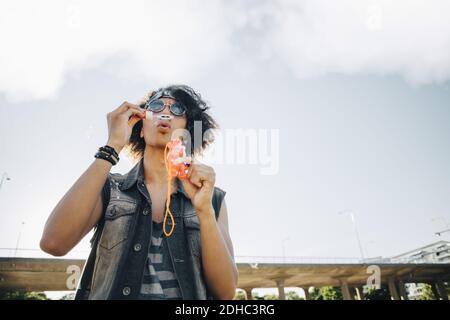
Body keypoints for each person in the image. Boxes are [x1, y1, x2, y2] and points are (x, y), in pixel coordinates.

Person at [40, 85, 238, 300]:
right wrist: (112, 146)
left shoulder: (212, 198)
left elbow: (226, 293)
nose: (165, 113)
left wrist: (204, 211)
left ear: (187, 133)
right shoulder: (108, 188)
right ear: (141, 128)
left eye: (177, 109)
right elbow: (54, 243)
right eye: (156, 105)